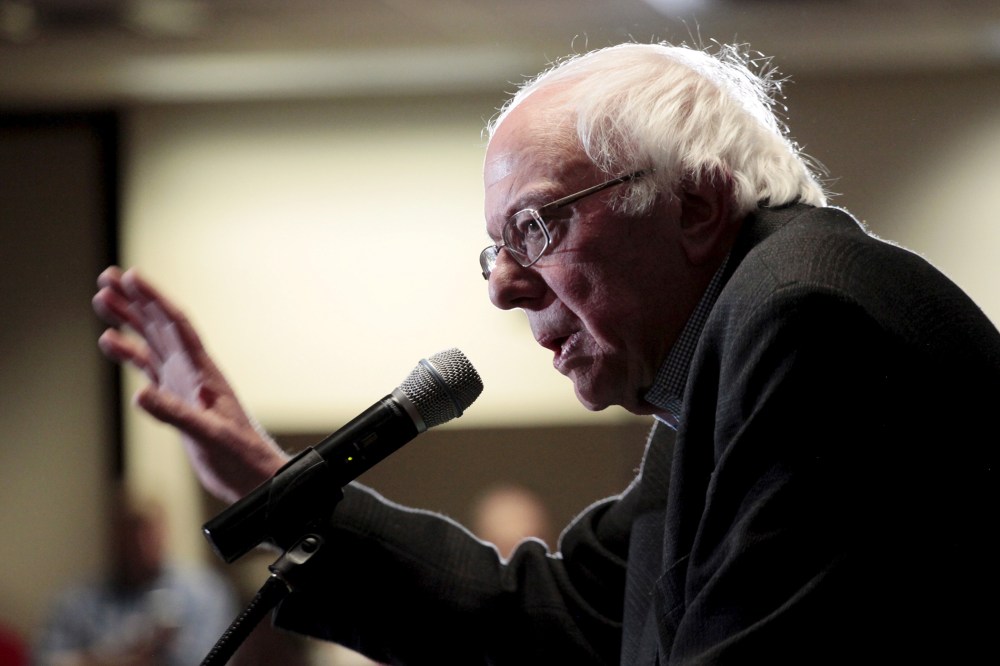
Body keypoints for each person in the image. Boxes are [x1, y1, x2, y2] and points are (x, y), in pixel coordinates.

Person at [91, 42, 998, 664]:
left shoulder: (804, 326)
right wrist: (274, 483)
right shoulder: (724, 358)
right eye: (497, 247)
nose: (503, 288)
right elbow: (558, 620)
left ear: (695, 206)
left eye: (536, 226)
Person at [35, 488, 238, 666]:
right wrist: (129, 657)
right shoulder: (78, 601)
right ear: (114, 535)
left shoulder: (204, 592)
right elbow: (48, 660)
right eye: (130, 533)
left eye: (148, 532)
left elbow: (211, 659)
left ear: (165, 532)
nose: (140, 545)